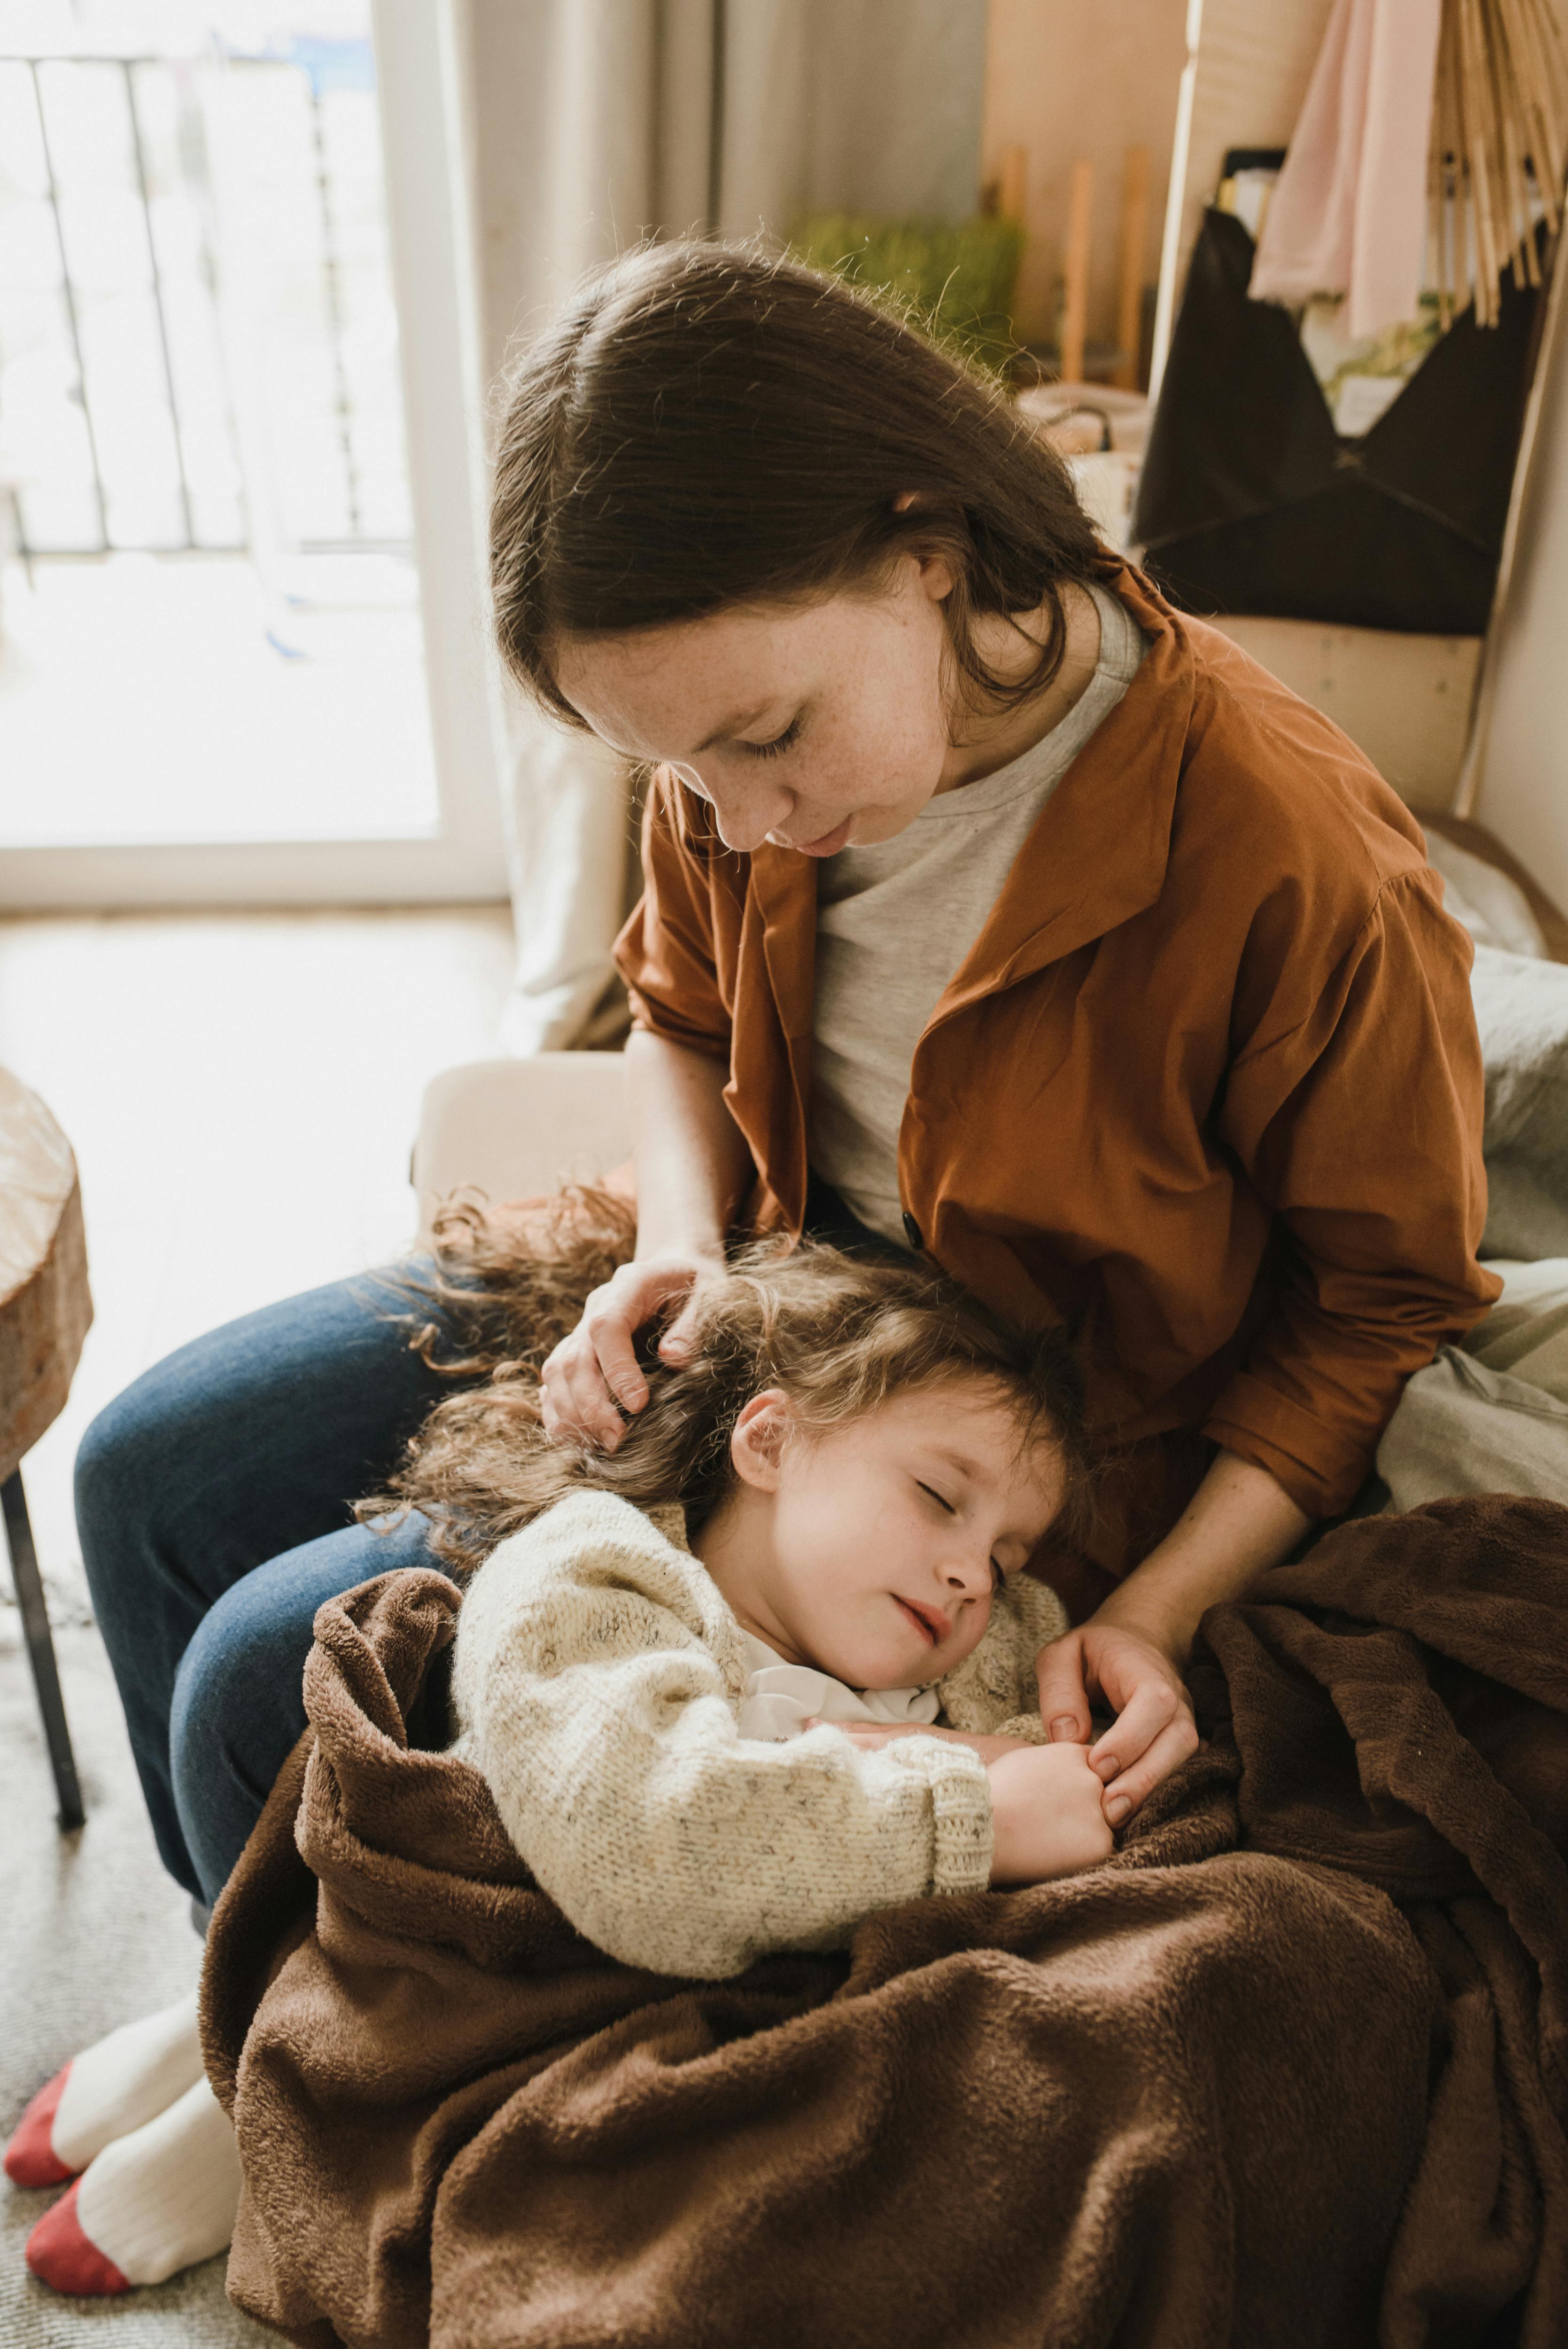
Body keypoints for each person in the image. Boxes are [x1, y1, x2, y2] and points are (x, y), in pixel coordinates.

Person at [15, 235, 1495, 2292]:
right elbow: (679, 1012)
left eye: (766, 737)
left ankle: (306, 2053)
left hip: (998, 1403)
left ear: (928, 547)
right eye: (678, 770)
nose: (739, 815)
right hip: (764, 1291)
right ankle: (259, 1993)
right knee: (146, 1477)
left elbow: (1381, 1300)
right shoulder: (728, 763)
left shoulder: (1286, 853)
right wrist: (686, 1247)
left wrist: (1151, 1606)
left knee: (270, 1667)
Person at [424, 1221, 1112, 1978]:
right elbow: (639, 1843)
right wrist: (977, 1816)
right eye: (938, 1496)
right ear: (772, 1440)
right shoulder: (587, 1578)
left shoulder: (999, 1644)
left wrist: (1001, 1759)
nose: (977, 1580)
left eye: (1004, 1563)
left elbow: (1073, 1775)